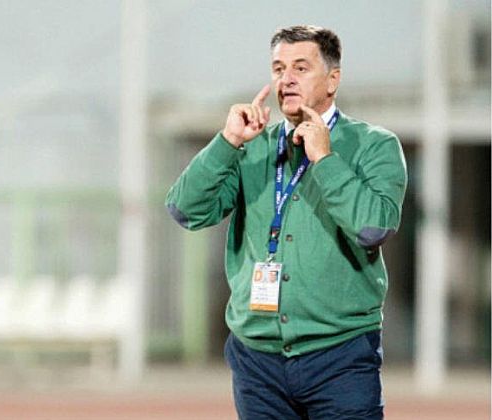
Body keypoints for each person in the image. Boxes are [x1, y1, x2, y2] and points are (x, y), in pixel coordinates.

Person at [165, 24, 407, 419]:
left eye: (300, 68)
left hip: (340, 356)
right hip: (257, 361)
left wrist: (325, 160)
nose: (286, 79)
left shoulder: (374, 145)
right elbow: (185, 210)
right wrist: (227, 142)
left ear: (333, 80)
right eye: (278, 69)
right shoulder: (252, 145)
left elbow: (372, 228)